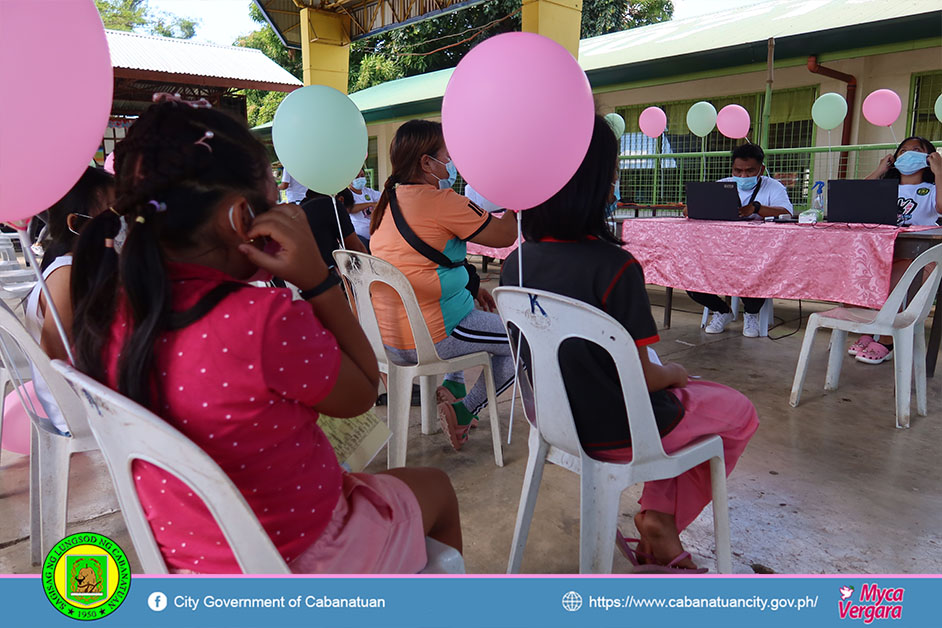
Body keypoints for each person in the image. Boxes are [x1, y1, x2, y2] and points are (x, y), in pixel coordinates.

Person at [69, 94, 461, 574]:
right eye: (273, 205)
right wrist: (318, 280)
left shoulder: (108, 312)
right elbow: (362, 392)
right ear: (240, 219)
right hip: (306, 556)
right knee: (436, 488)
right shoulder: (261, 320)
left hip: (194, 563)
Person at [501, 114, 759, 572]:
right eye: (613, 169)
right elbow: (646, 376)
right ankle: (660, 517)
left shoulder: (516, 264)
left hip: (552, 421)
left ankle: (659, 519)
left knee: (691, 399)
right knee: (736, 412)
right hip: (620, 431)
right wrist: (676, 374)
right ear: (599, 183)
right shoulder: (615, 266)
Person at [368, 119, 518, 451]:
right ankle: (465, 411)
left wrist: (467, 285)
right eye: (445, 157)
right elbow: (506, 235)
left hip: (389, 338)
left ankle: (455, 390)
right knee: (523, 340)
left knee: (476, 317)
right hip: (434, 334)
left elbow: (422, 262)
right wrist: (519, 196)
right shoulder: (443, 203)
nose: (449, 165)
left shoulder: (386, 202)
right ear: (426, 163)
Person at [21, 166, 114, 435]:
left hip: (81, 399)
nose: (122, 224)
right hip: (75, 412)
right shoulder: (67, 272)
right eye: (112, 217)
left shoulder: (75, 264)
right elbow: (55, 352)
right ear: (76, 224)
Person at [847, 136, 941, 364]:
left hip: (919, 257)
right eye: (903, 151)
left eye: (916, 150)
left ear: (929, 158)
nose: (908, 154)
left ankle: (888, 340)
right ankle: (870, 330)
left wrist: (940, 171)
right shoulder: (886, 188)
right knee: (862, 269)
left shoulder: (930, 189)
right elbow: (856, 199)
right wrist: (879, 170)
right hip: (885, 252)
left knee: (896, 276)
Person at [688, 143, 793, 337]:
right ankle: (721, 310)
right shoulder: (722, 185)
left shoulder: (773, 186)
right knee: (690, 274)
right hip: (720, 252)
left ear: (761, 169)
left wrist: (756, 208)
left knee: (759, 274)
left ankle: (751, 314)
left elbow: (786, 212)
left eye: (749, 171)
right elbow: (688, 210)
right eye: (738, 170)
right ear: (732, 169)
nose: (743, 176)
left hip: (757, 256)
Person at [347, 167, 379, 251]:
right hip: (359, 236)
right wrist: (370, 204)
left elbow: (383, 199)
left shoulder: (369, 191)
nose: (360, 179)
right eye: (356, 177)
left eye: (362, 175)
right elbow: (350, 208)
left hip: (374, 234)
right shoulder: (348, 194)